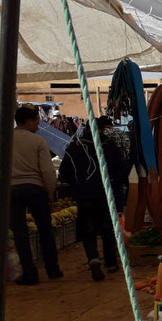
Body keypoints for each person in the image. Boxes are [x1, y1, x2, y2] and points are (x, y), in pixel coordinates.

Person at [58, 117, 130, 281]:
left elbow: (64, 171)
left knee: (88, 231)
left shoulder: (75, 147)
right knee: (107, 230)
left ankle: (93, 258)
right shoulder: (110, 147)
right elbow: (123, 170)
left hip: (85, 196)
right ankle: (111, 264)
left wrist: (77, 185)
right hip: (107, 195)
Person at [10, 106, 62, 285]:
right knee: (45, 230)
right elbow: (47, 171)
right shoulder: (38, 141)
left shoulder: (3, 139)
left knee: (20, 234)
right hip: (34, 188)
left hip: (11, 190)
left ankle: (30, 274)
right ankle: (53, 270)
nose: (38, 126)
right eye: (36, 122)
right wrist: (50, 193)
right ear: (29, 121)